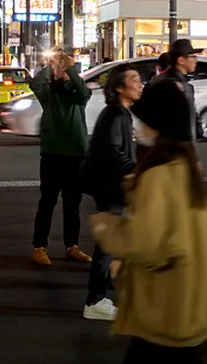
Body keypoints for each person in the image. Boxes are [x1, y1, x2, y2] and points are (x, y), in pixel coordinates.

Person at [89, 80, 207, 363]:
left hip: (164, 304)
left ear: (159, 125)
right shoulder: (187, 166)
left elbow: (145, 244)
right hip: (191, 296)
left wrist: (106, 227)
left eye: (145, 122)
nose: (139, 128)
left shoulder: (158, 176)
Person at [82, 65, 142, 323]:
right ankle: (95, 300)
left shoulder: (120, 113)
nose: (140, 84)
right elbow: (113, 152)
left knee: (114, 239)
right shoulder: (116, 115)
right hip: (109, 185)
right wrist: (135, 170)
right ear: (119, 87)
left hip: (110, 184)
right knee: (108, 243)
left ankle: (106, 285)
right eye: (134, 79)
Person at [29, 52, 93, 267]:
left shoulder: (78, 93)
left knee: (72, 204)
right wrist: (51, 64)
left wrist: (70, 68)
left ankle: (72, 245)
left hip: (75, 154)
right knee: (47, 202)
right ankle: (39, 247)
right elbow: (35, 84)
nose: (63, 70)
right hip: (52, 154)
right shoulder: (48, 92)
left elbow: (83, 93)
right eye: (60, 67)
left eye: (66, 68)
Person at [155, 39, 200, 140]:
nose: (196, 60)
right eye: (193, 57)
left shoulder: (183, 82)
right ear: (181, 60)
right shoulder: (168, 85)